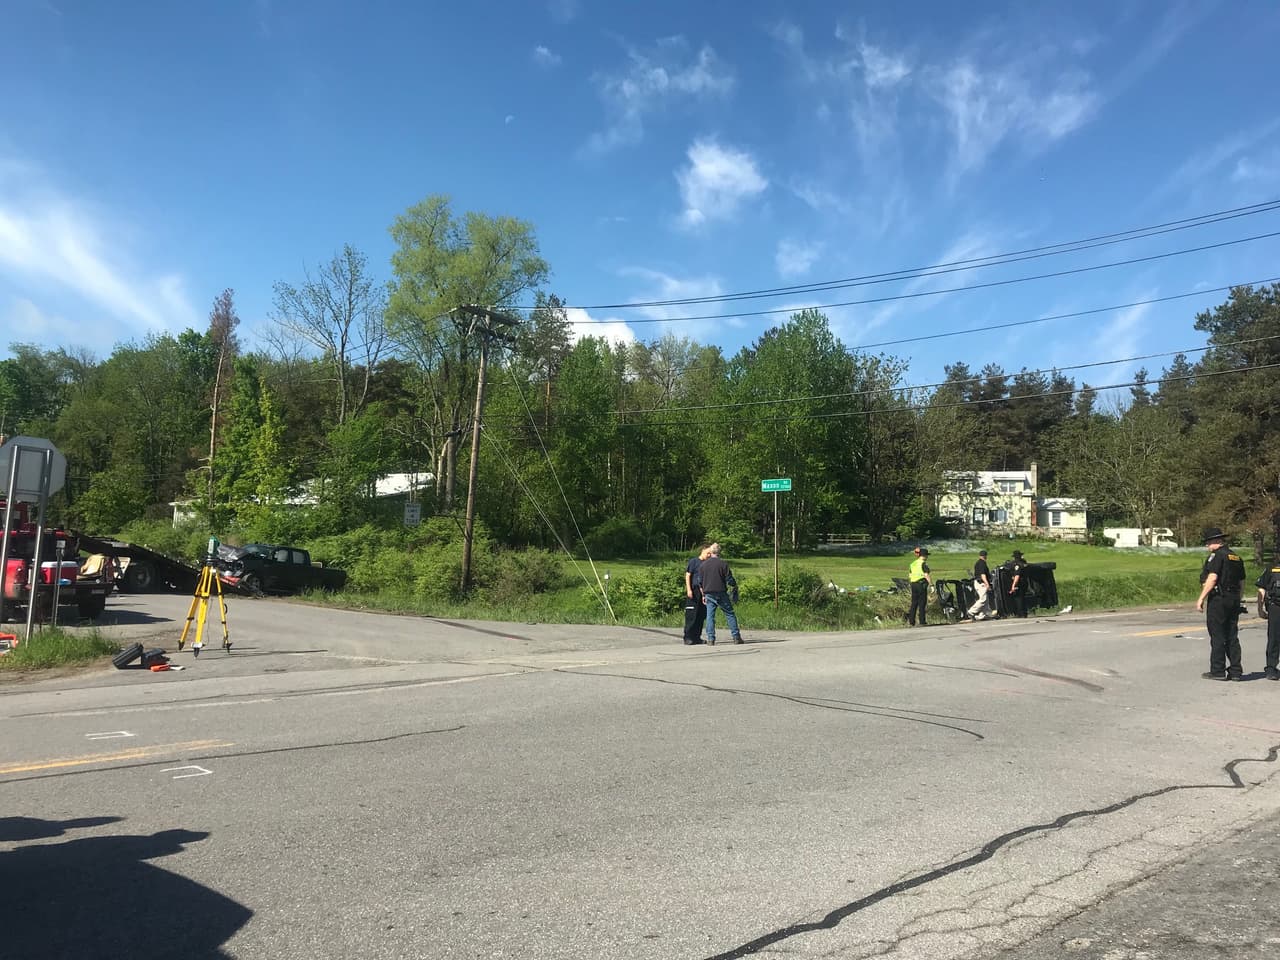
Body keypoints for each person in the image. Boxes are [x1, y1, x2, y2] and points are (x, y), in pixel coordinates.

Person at [1196, 527, 1246, 680]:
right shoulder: (1235, 557)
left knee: (1217, 634)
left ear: (1217, 541)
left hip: (1219, 599)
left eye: (1208, 542)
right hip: (1233, 598)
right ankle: (1236, 671)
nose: (1207, 546)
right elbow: (1242, 581)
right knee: (1232, 635)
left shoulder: (1217, 556)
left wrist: (1201, 599)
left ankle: (1217, 670)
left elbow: (1212, 578)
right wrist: (1239, 598)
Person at [699, 542, 743, 645]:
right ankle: (736, 637)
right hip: (721, 591)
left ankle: (711, 639)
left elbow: (700, 582)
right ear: (720, 552)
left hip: (708, 592)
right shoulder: (723, 564)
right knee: (730, 614)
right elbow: (729, 579)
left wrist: (703, 595)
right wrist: (734, 586)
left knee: (710, 616)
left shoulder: (703, 565)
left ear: (711, 552)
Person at [1255, 556, 1280, 681]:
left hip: (1275, 607)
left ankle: (1271, 669)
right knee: (1274, 639)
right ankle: (1271, 669)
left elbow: (1261, 588)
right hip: (1275, 606)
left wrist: (1260, 609)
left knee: (1274, 638)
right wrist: (1260, 608)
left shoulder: (1272, 567)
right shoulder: (1271, 568)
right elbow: (1261, 588)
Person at [683, 543, 711, 645]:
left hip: (704, 591)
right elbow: (688, 575)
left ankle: (696, 637)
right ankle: (688, 637)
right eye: (708, 553)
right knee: (691, 614)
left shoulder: (708, 564)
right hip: (694, 590)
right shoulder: (694, 561)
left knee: (701, 615)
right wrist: (689, 589)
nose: (709, 555)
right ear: (703, 550)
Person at [906, 547, 932, 627]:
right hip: (921, 584)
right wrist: (931, 585)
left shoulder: (912, 563)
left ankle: (911, 621)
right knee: (922, 603)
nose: (927, 557)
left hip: (913, 584)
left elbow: (910, 575)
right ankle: (922, 621)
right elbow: (926, 575)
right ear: (923, 556)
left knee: (914, 603)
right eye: (926, 555)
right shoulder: (923, 563)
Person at [966, 549, 991, 620]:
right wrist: (987, 584)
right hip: (981, 583)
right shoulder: (982, 563)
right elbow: (983, 575)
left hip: (978, 582)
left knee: (986, 600)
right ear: (985, 556)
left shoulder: (978, 563)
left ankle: (982, 615)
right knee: (983, 599)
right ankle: (971, 612)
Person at [1007, 550, 1028, 618]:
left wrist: (1013, 585)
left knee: (1018, 598)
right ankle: (1024, 612)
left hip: (1019, 583)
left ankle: (1020, 613)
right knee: (1022, 597)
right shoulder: (1023, 563)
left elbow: (1017, 576)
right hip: (1024, 582)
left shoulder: (1017, 565)